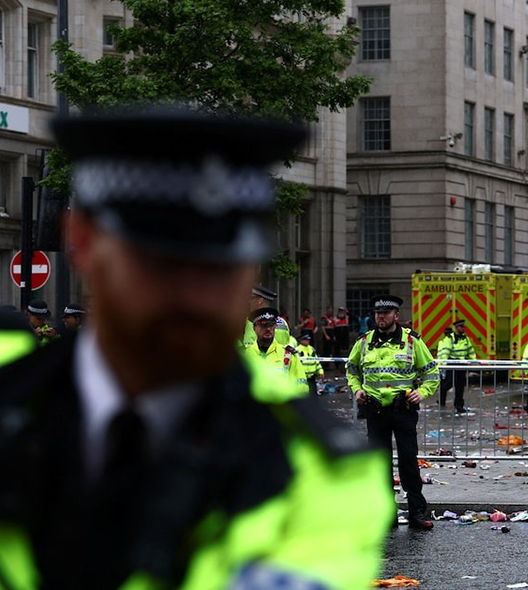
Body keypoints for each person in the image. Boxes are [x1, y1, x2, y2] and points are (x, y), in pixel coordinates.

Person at [0, 106, 392, 589]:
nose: (198, 300)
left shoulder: (318, 468)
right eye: (162, 266)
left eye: (223, 268)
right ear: (81, 241)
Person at [347, 294, 440, 530]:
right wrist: (357, 389)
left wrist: (423, 392)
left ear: (396, 316)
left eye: (386, 313)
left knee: (408, 461)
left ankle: (416, 513)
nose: (381, 317)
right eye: (378, 313)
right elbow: (352, 369)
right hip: (375, 410)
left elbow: (431, 373)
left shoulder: (412, 342)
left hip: (403, 410)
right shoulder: (364, 341)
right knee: (379, 463)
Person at [243, 308, 309, 395]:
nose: (268, 329)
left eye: (272, 325)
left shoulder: (288, 354)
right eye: (264, 325)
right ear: (254, 328)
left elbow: (301, 387)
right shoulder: (245, 356)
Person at [447, 319, 477, 414]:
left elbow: (470, 350)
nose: (463, 328)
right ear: (457, 328)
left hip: (462, 364)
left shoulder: (465, 338)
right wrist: (442, 364)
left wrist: (474, 361)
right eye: (461, 327)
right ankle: (442, 399)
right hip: (452, 364)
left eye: (464, 327)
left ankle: (459, 405)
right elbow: (445, 350)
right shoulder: (450, 338)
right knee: (448, 384)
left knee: (460, 386)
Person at [242, 284, 277, 349]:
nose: (249, 302)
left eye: (251, 298)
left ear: (260, 301)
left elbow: (249, 351)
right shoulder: (283, 322)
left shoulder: (252, 322)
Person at [437, 326, 454, 407]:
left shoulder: (442, 341)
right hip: (446, 365)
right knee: (447, 384)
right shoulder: (448, 341)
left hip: (442, 365)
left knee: (444, 384)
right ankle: (441, 401)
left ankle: (441, 401)